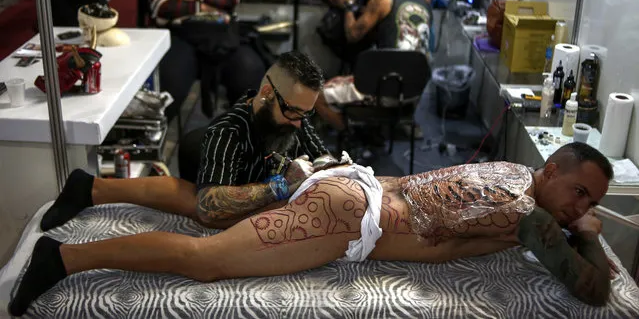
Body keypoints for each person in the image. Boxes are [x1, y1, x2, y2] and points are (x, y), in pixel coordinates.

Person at [9, 143, 616, 316]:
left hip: (353, 183)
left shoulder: (513, 170)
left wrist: (575, 219)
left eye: (590, 201)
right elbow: (592, 288)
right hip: (348, 215)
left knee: (202, 204)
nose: (578, 205)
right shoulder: (531, 214)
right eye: (578, 192)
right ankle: (61, 260)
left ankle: (93, 188)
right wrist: (586, 233)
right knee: (207, 259)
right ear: (552, 170)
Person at [37, 51, 335, 234]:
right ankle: (88, 191)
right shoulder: (229, 132)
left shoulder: (294, 114)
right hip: (227, 197)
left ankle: (88, 188)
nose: (299, 121)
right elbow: (207, 208)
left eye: (304, 114)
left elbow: (320, 154)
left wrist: (329, 165)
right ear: (268, 93)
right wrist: (280, 186)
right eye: (294, 112)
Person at [147, 0, 266, 120]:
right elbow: (163, 7)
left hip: (221, 35)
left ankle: (244, 130)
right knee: (172, 80)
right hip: (183, 36)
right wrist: (204, 7)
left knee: (250, 69)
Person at [315, 0, 432, 131]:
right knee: (349, 79)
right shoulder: (424, 4)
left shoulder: (383, 0)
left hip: (384, 91)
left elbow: (353, 35)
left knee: (317, 96)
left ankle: (349, 142)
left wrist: (348, 8)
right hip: (414, 91)